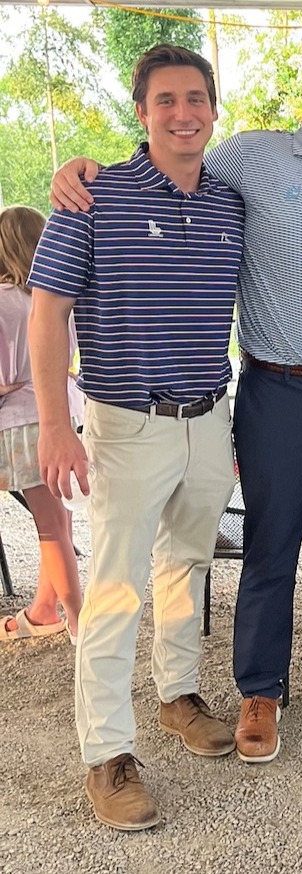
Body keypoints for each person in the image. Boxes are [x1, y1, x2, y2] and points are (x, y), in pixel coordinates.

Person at [48, 35, 302, 765]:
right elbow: (167, 160)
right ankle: (259, 689)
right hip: (276, 388)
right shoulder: (250, 156)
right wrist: (83, 166)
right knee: (271, 542)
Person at [30, 45, 243, 831]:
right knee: (116, 590)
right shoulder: (93, 195)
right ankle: (107, 754)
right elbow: (47, 311)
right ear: (142, 112)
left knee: (186, 565)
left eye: (196, 99)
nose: (183, 114)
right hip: (124, 423)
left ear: (213, 109)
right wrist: (56, 422)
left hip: (206, 417)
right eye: (166, 101)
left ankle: (177, 695)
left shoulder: (229, 202)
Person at [0, 206, 83, 644]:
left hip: (21, 419)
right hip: (65, 411)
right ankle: (44, 610)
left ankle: (79, 623)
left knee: (49, 527)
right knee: (59, 521)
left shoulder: (2, 301)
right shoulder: (55, 297)